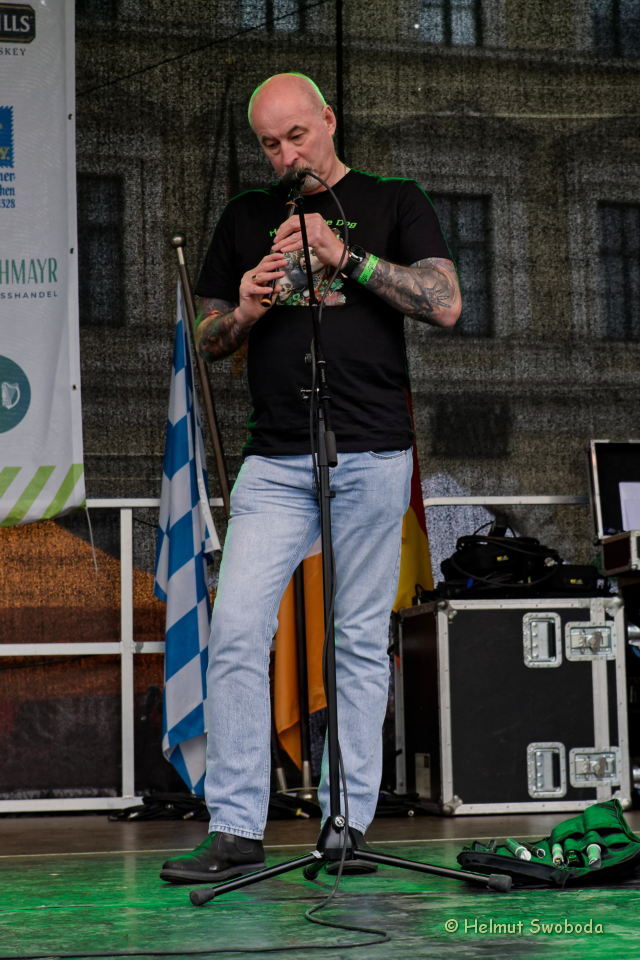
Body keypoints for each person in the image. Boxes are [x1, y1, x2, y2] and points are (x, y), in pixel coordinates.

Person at [160, 73, 461, 884]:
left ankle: (345, 825)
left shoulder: (394, 199)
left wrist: (345, 256)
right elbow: (206, 338)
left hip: (373, 450)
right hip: (274, 458)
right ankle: (235, 828)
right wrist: (246, 309)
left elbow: (445, 303)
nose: (286, 154)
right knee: (236, 631)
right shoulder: (245, 216)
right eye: (270, 144)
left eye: (297, 136)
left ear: (328, 120)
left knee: (357, 639)